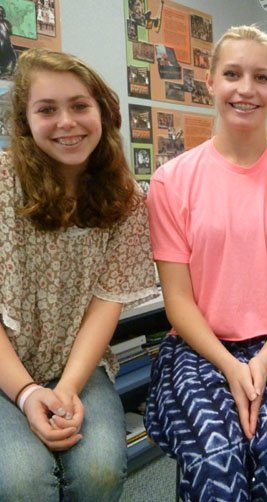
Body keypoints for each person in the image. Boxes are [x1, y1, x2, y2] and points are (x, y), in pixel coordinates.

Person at [144, 25, 267, 501]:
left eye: (261, 77)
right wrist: (232, 367)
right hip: (198, 348)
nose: (246, 89)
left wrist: (264, 359)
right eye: (232, 74)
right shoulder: (171, 183)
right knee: (218, 454)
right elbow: (179, 302)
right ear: (210, 82)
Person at [0, 48, 157, 500]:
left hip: (77, 364)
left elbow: (107, 301)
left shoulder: (125, 198)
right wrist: (28, 394)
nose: (66, 122)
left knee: (100, 472)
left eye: (79, 106)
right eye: (47, 109)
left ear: (103, 112)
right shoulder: (5, 183)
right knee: (23, 482)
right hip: (6, 366)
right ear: (25, 122)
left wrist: (67, 388)